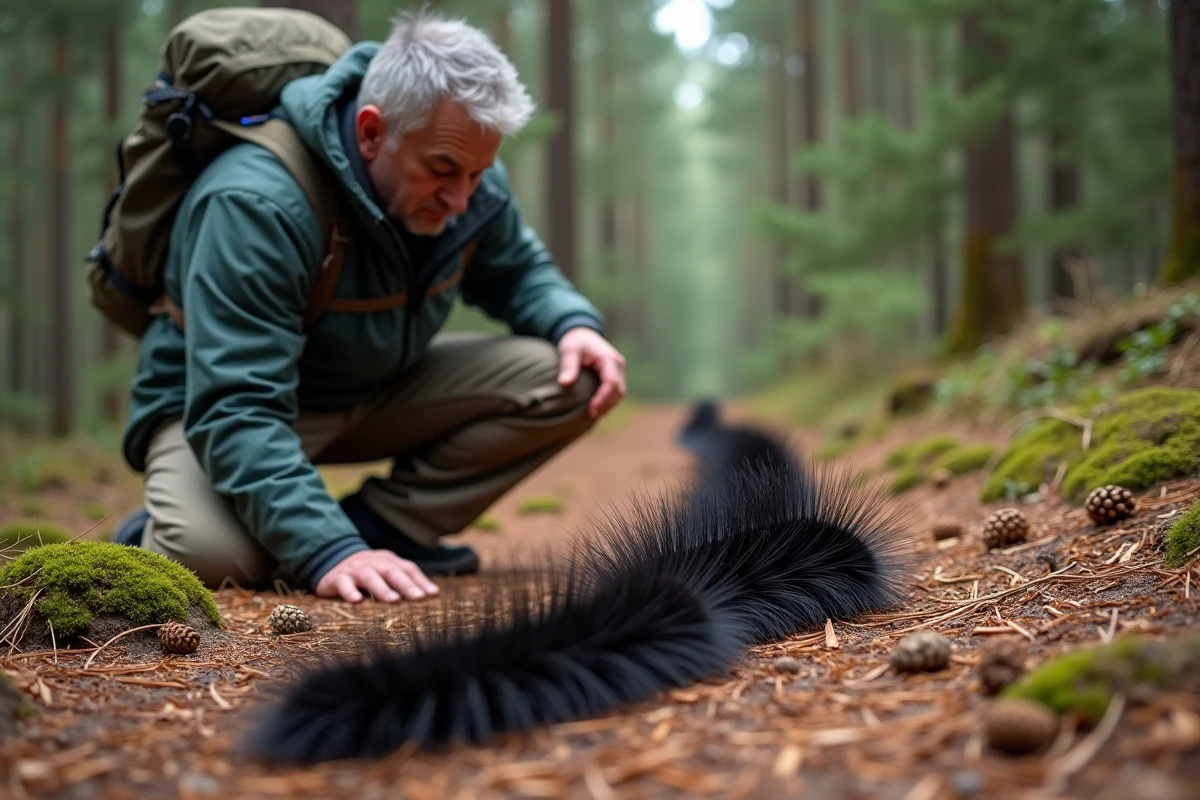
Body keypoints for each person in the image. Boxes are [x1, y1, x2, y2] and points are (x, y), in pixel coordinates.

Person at [111, 9, 626, 605]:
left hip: (372, 389)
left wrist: (572, 322)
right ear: (372, 131)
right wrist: (328, 550)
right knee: (211, 556)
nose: (461, 199)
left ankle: (385, 532)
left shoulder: (466, 173)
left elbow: (517, 271)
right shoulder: (256, 202)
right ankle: (157, 526)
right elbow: (237, 405)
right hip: (217, 408)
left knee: (570, 376)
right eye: (442, 171)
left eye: (477, 174)